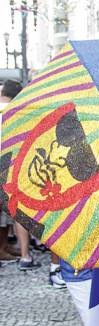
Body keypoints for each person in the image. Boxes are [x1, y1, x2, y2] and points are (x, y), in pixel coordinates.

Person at [0, 80, 40, 270]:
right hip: (11, 166)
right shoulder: (17, 110)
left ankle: (6, 248)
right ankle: (25, 255)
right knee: (18, 211)